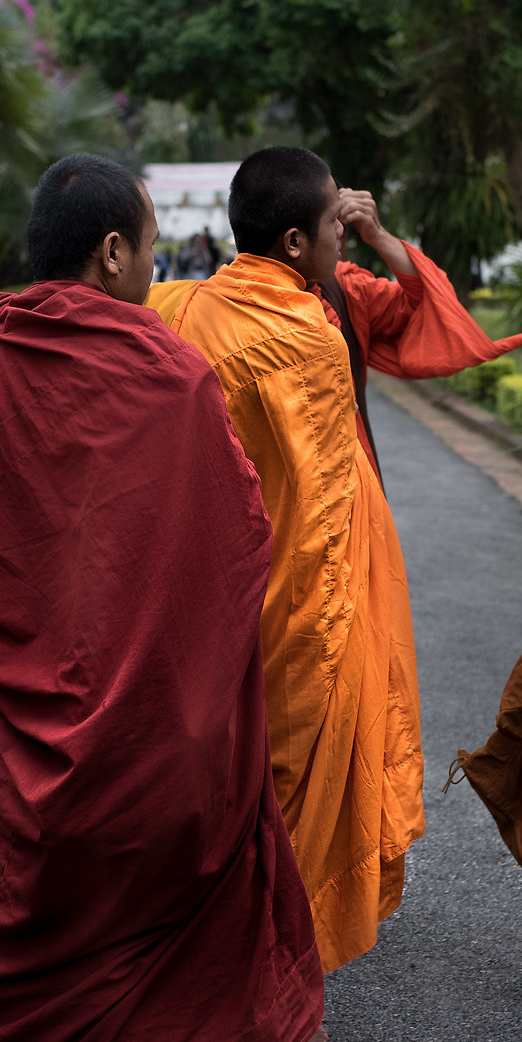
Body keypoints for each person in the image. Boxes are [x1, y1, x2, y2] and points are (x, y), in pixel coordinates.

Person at [0, 154, 324, 1042]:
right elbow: (234, 541)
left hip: (23, 694)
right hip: (136, 707)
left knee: (10, 901)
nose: (148, 265)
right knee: (126, 920)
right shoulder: (159, 369)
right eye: (144, 245)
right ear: (112, 252)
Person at [147, 147, 426, 985]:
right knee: (300, 770)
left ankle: (231, 953)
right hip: (305, 596)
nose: (348, 240)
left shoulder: (177, 307)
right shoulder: (309, 330)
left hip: (213, 593)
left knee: (232, 770)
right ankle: (277, 973)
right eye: (340, 226)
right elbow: (323, 494)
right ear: (300, 242)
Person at [313, 185, 522, 473]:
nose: (341, 231)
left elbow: (428, 302)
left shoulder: (344, 288)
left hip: (351, 478)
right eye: (331, 220)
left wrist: (377, 234)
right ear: (293, 237)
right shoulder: (238, 303)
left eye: (342, 219)